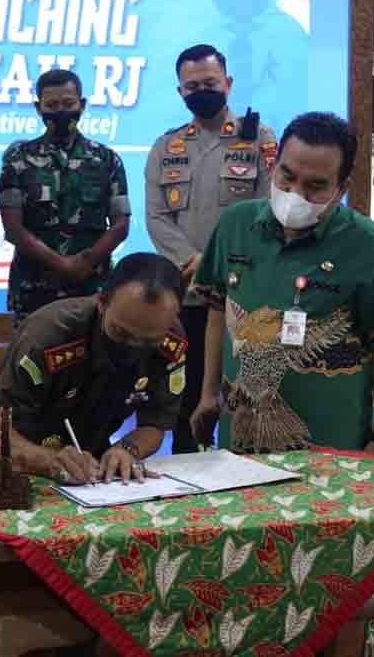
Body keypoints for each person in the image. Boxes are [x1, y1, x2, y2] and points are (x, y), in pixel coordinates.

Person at [190, 111, 374, 457]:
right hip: (239, 435)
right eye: (287, 176)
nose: (295, 193)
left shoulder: (372, 247)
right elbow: (217, 310)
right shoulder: (235, 225)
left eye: (315, 186)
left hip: (332, 443)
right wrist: (208, 394)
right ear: (273, 166)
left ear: (341, 188)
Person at [145, 43, 277, 454]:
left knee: (243, 394)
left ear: (228, 83)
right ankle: (189, 473)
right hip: (186, 294)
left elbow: (268, 209)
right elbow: (156, 217)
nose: (202, 91)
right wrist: (196, 262)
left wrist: (216, 261)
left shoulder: (259, 139)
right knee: (186, 400)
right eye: (193, 86)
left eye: (210, 83)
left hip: (242, 293)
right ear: (180, 91)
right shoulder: (166, 147)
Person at [0, 253, 187, 485]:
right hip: (17, 467)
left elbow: (155, 424)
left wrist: (127, 449)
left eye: (149, 341)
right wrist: (48, 461)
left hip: (89, 472)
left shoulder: (171, 339)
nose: (133, 346)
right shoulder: (48, 336)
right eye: (121, 333)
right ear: (101, 301)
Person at [0, 69, 130, 329]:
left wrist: (85, 263)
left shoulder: (107, 159)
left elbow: (120, 225)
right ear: (38, 108)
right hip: (34, 289)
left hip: (93, 287)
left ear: (82, 105)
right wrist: (61, 264)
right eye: (52, 105)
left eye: (68, 104)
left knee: (95, 354)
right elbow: (13, 228)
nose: (61, 111)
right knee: (33, 354)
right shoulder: (17, 158)